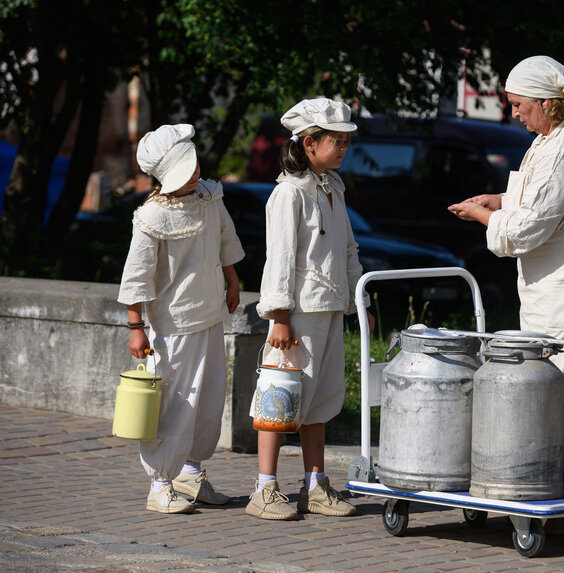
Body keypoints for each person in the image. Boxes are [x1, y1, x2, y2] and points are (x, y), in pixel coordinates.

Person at [448, 55, 564, 480]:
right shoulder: (550, 141)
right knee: (548, 373)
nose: (514, 113)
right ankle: (555, 472)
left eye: (519, 104)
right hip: (560, 275)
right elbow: (541, 202)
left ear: (549, 102)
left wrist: (484, 219)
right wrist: (497, 202)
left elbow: (529, 227)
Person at [246, 97, 375, 520]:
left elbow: (349, 250)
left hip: (330, 309)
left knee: (319, 399)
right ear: (307, 143)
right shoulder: (289, 194)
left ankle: (314, 485)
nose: (342, 148)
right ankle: (264, 489)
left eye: (345, 141)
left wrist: (361, 300)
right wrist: (279, 316)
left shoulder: (332, 187)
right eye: (334, 140)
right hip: (298, 314)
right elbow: (279, 258)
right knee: (279, 396)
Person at [117, 124, 245, 513]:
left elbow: (225, 240)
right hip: (171, 325)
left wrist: (233, 281)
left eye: (192, 166)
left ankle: (190, 472)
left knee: (207, 399)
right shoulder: (152, 215)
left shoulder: (209, 196)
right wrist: (136, 327)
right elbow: (136, 275)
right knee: (176, 402)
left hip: (209, 315)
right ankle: (159, 483)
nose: (192, 175)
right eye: (183, 170)